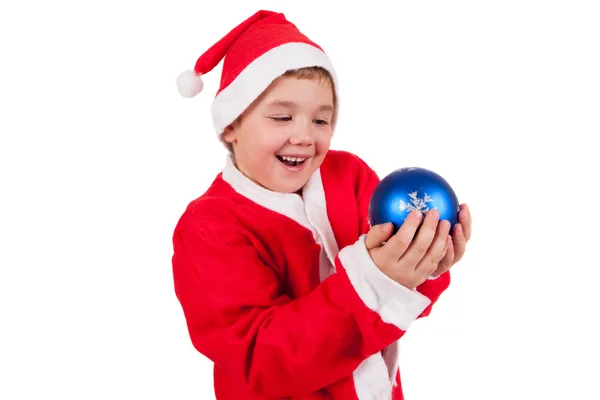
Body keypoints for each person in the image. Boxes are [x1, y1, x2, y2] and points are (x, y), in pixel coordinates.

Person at [171, 9, 472, 400]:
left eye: (321, 120)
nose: (304, 136)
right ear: (230, 124)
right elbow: (262, 359)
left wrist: (423, 264)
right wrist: (374, 280)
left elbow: (399, 307)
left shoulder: (349, 175)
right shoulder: (208, 226)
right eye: (282, 117)